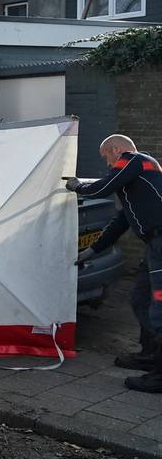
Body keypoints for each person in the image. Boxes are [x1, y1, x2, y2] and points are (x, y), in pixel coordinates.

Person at [67, 135, 162, 393]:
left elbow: (102, 188)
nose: (108, 164)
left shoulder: (135, 160)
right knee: (141, 299)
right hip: (154, 245)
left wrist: (76, 187)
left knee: (159, 306)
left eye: (106, 157)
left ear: (116, 149)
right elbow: (122, 220)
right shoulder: (136, 184)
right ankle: (150, 355)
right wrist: (93, 250)